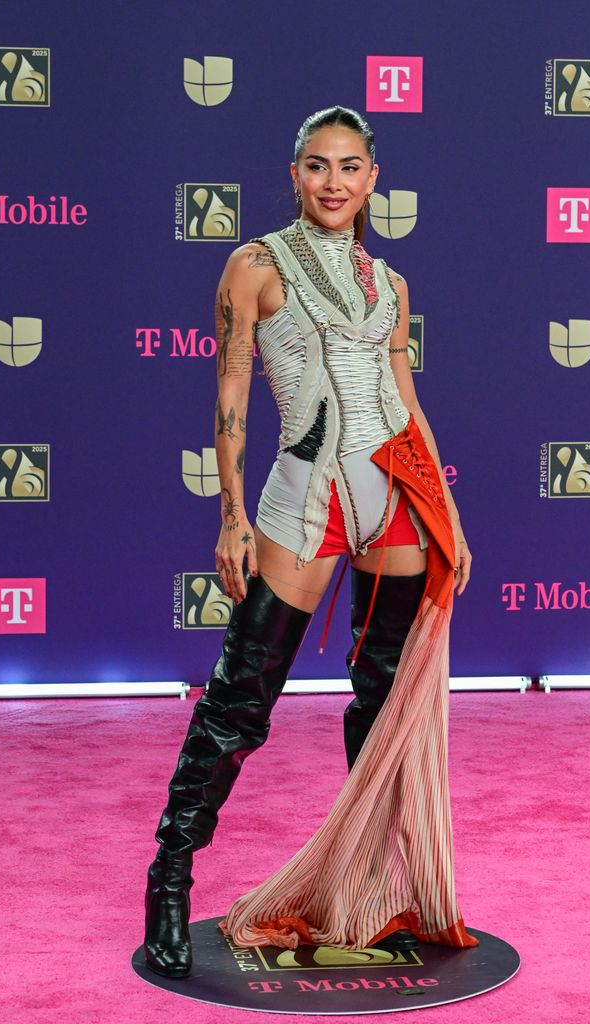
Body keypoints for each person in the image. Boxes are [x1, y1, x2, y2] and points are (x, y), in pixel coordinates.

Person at [144, 105, 476, 979]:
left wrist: (447, 508)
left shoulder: (391, 283)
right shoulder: (253, 265)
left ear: (373, 180)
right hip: (305, 496)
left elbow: (404, 401)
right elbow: (231, 396)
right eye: (319, 166)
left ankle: (361, 884)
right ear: (294, 174)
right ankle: (169, 878)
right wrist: (229, 515)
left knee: (381, 700)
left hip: (396, 497)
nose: (335, 182)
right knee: (240, 699)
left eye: (352, 167)